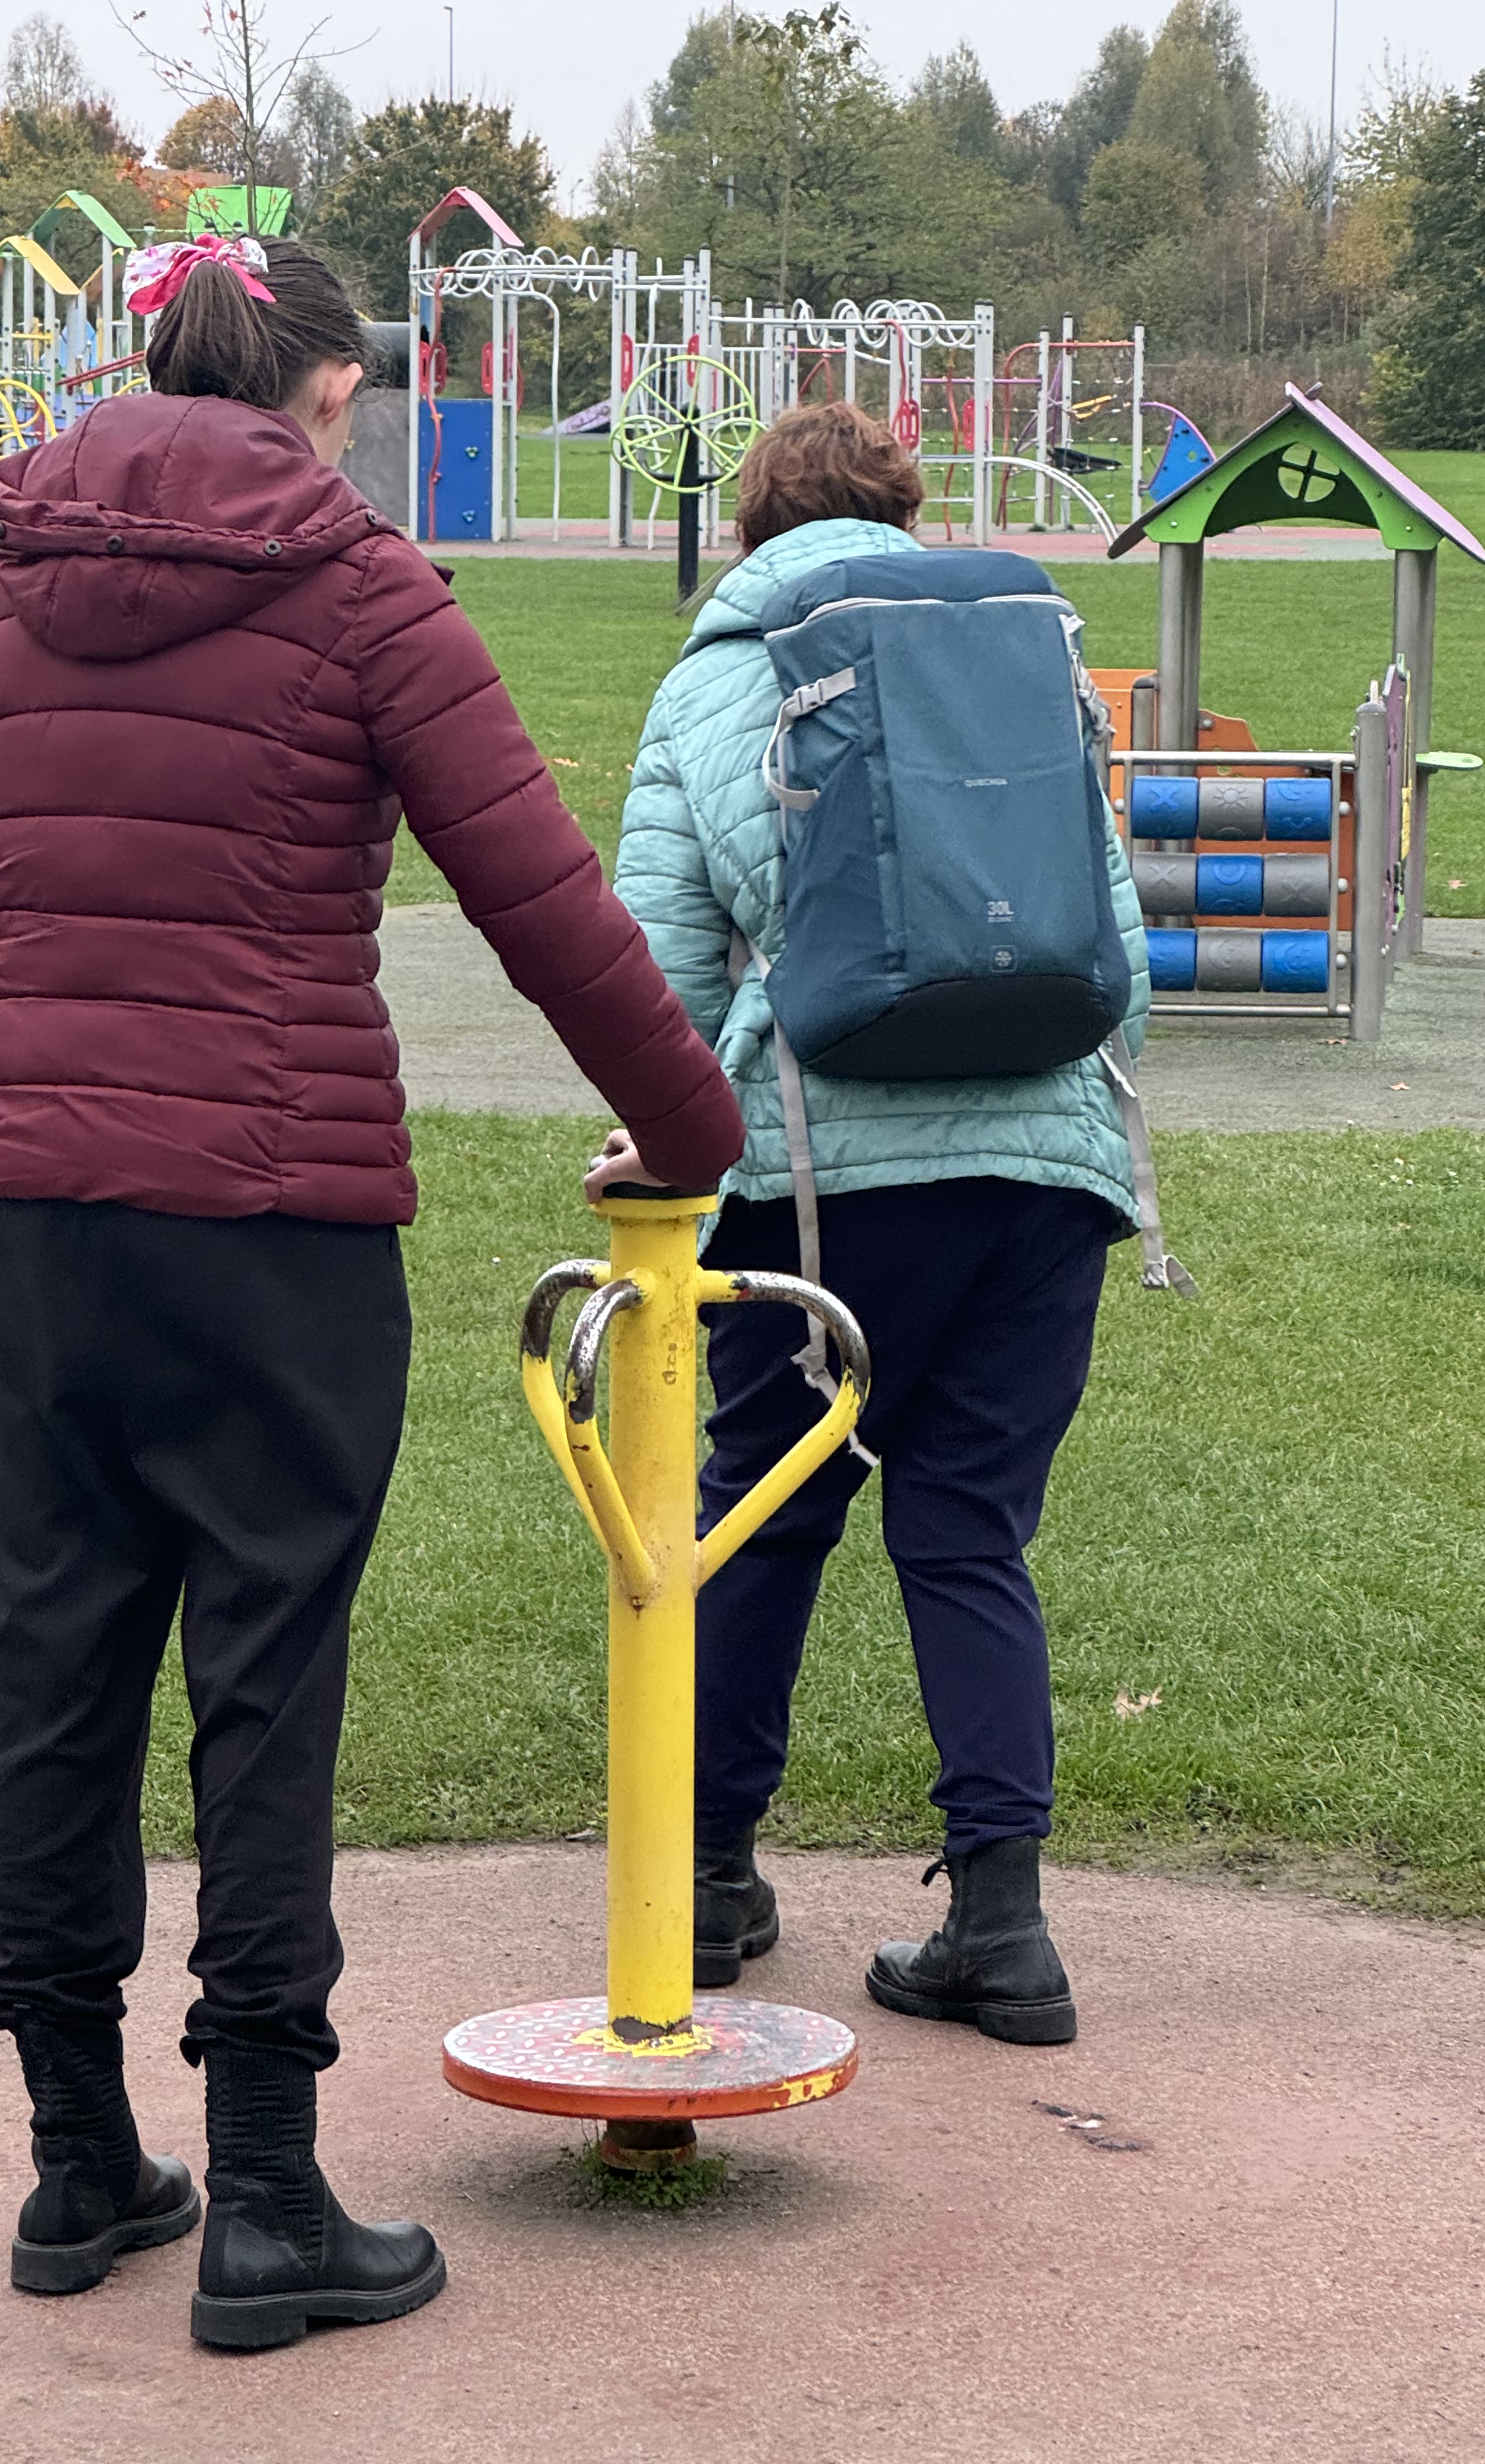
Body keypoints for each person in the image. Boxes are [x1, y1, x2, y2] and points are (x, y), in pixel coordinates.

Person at [0, 233, 743, 2350]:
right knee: (266, 1678)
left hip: (37, 1210)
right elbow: (543, 897)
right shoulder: (361, 586)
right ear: (332, 384)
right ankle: (266, 2188)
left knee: (57, 1664)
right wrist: (693, 1131)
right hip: (273, 1216)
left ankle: (79, 2159)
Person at [592, 400, 1149, 2047]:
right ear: (908, 511)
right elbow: (1114, 943)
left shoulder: (718, 678)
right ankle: (1004, 1922)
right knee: (970, 1532)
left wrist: (662, 1137)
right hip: (1047, 1171)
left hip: (817, 1181)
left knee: (762, 1519)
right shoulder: (1027, 658)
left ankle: (702, 1884)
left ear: (752, 528)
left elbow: (659, 965)